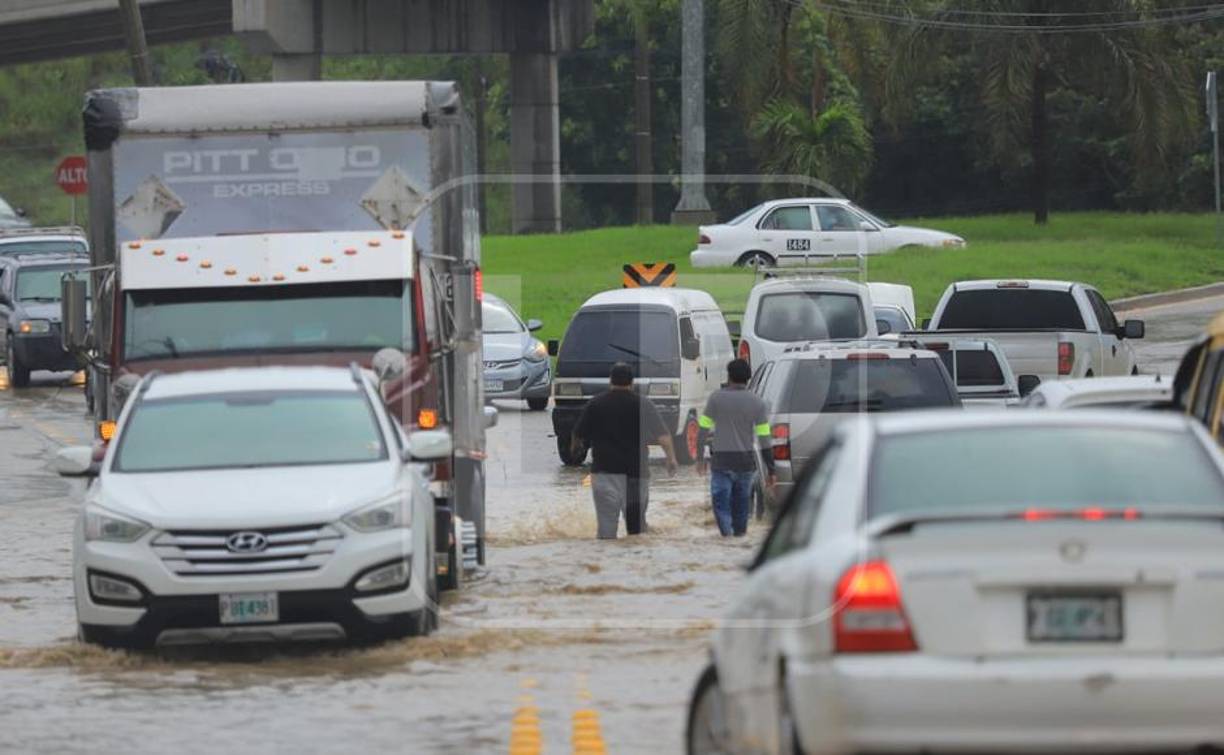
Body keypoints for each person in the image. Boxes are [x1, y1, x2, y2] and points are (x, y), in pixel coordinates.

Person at [572, 362, 679, 539]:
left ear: (610, 381)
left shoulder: (595, 404)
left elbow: (577, 435)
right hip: (636, 474)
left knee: (606, 532)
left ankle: (606, 564)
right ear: (632, 382)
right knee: (637, 532)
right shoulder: (644, 404)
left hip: (604, 474)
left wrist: (575, 451)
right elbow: (663, 436)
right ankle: (634, 564)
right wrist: (671, 459)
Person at [696, 359, 776, 537]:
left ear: (729, 376)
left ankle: (727, 537)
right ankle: (739, 538)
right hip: (745, 463)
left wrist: (700, 458)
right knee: (742, 505)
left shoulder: (716, 398)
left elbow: (702, 429)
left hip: (721, 462)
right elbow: (764, 439)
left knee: (720, 503)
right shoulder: (757, 402)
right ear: (748, 378)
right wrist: (771, 468)